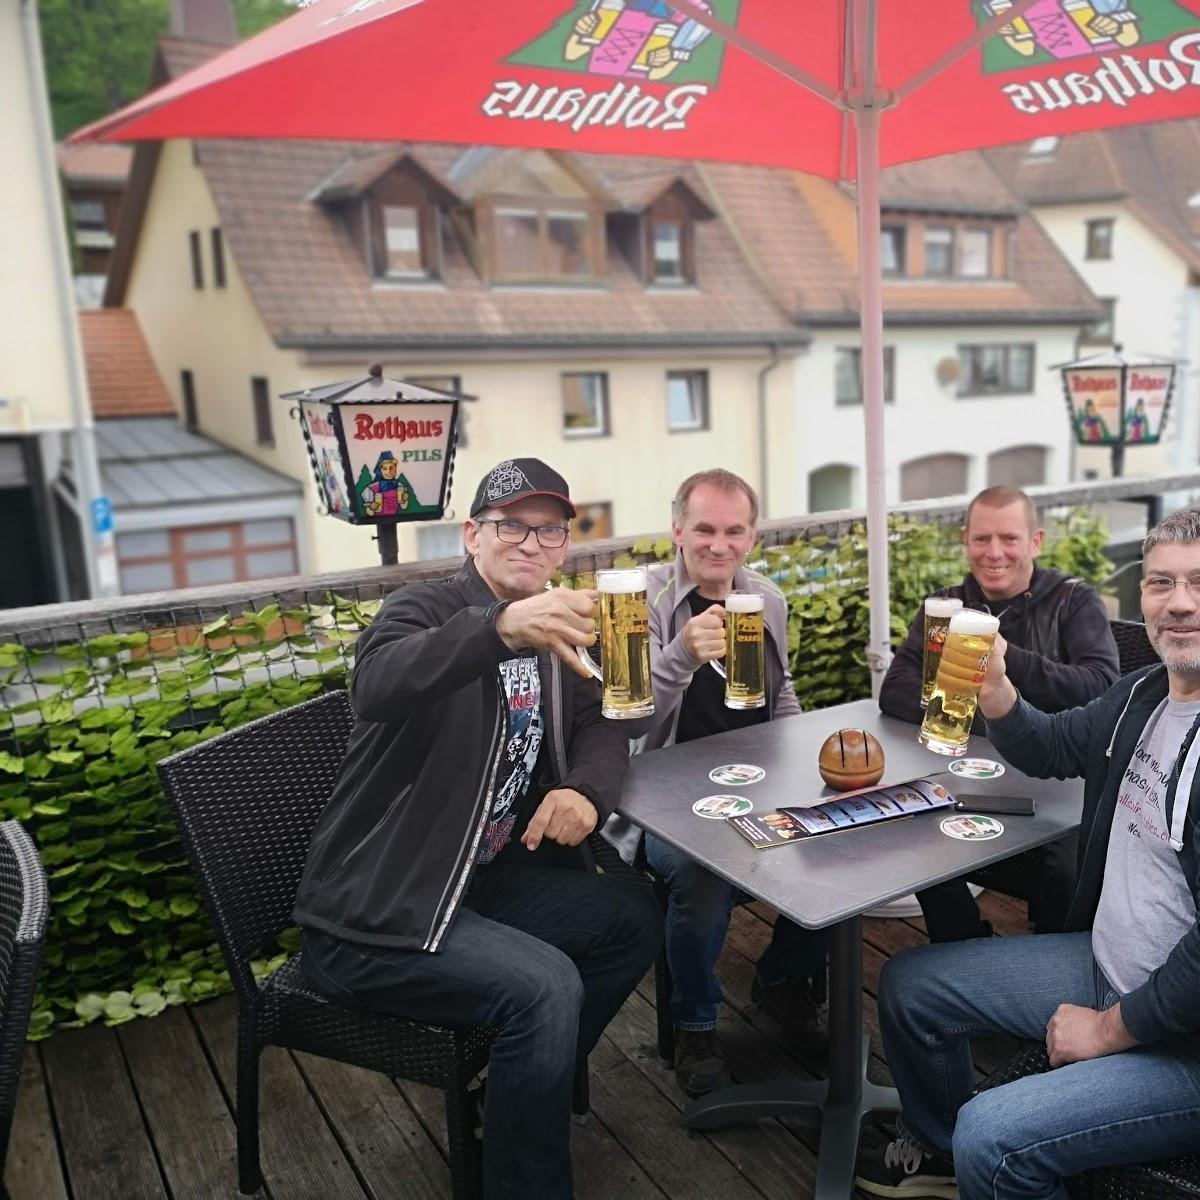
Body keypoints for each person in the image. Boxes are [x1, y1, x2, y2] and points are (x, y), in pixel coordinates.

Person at [293, 458, 663, 1200]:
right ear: (472, 535)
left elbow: (608, 720)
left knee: (635, 914)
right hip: (375, 911)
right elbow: (378, 684)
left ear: (565, 545)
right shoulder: (422, 611)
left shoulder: (560, 624)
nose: (531, 543)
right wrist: (497, 628)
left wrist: (586, 792)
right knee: (545, 988)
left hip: (478, 884)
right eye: (510, 526)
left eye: (549, 530)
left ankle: (516, 1086)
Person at [856, 507, 1200, 1200]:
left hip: (1183, 1040)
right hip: (1109, 962)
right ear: (1143, 599)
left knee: (994, 1133)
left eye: (1198, 582)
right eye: (1161, 583)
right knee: (910, 988)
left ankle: (985, 1161)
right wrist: (997, 692)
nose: (1180, 603)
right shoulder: (1141, 696)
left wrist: (1109, 1028)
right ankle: (948, 1160)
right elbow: (1050, 746)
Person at [638, 468, 828, 1095]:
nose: (718, 544)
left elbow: (782, 690)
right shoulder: (642, 602)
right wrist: (681, 656)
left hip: (757, 777)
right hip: (662, 793)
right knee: (702, 872)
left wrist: (802, 754)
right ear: (677, 531)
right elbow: (631, 724)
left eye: (733, 531)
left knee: (836, 840)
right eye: (704, 529)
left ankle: (780, 979)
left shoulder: (765, 599)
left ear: (752, 538)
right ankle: (695, 1023)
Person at [880, 486, 1119, 941]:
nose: (994, 553)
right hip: (964, 776)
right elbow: (896, 690)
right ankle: (964, 949)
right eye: (981, 539)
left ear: (1036, 541)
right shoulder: (946, 605)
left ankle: (1047, 976)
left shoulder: (1073, 601)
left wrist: (1008, 664)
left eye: (1009, 539)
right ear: (965, 539)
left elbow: (1102, 687)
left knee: (1066, 866)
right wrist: (993, 714)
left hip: (1056, 786)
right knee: (910, 826)